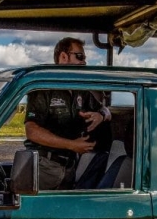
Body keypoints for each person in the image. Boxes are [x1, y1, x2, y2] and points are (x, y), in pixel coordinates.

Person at [24, 37, 112, 190]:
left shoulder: (80, 90)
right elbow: (32, 131)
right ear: (63, 57)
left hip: (69, 167)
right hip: (44, 166)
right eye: (80, 56)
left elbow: (107, 110)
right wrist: (72, 145)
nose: (84, 62)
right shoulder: (44, 87)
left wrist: (101, 115)